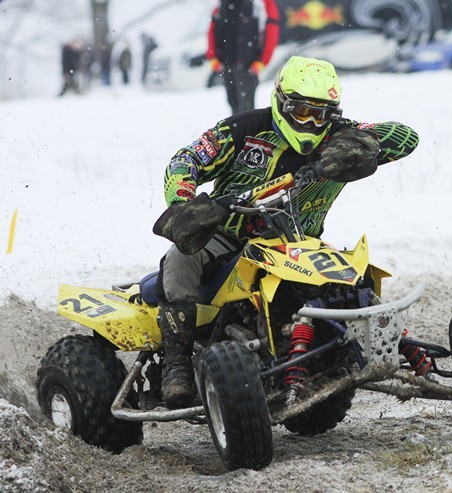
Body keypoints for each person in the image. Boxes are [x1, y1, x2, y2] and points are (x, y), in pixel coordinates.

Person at [152, 56, 420, 408]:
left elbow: (406, 136)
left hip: (297, 241)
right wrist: (185, 201)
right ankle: (177, 367)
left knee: (355, 283)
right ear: (281, 102)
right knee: (178, 260)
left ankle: (370, 347)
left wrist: (356, 146)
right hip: (227, 236)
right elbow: (185, 160)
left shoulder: (340, 134)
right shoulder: (244, 128)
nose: (310, 121)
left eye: (320, 114)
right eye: (301, 111)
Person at [208, 0, 280, 114]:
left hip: (248, 66)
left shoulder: (262, 3)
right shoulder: (222, 3)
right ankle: (237, 130)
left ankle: (246, 131)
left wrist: (262, 61)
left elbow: (272, 31)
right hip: (227, 63)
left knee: (246, 109)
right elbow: (213, 27)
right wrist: (213, 56)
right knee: (233, 104)